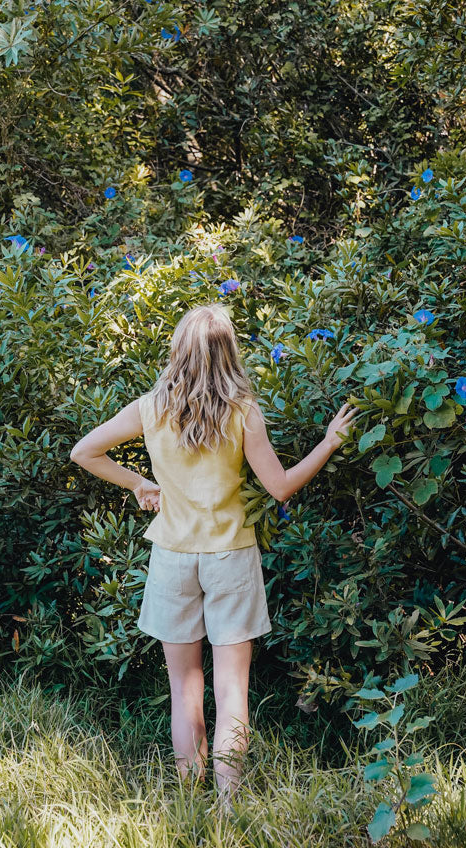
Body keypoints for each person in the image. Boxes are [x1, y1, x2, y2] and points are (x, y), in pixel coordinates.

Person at [69, 303, 354, 807]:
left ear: (178, 350)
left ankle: (186, 801)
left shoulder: (152, 406)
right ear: (229, 353)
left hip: (173, 560)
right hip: (231, 560)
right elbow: (281, 487)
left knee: (184, 687)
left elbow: (84, 451)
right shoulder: (243, 410)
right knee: (232, 691)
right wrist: (329, 442)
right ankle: (227, 806)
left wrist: (139, 483)